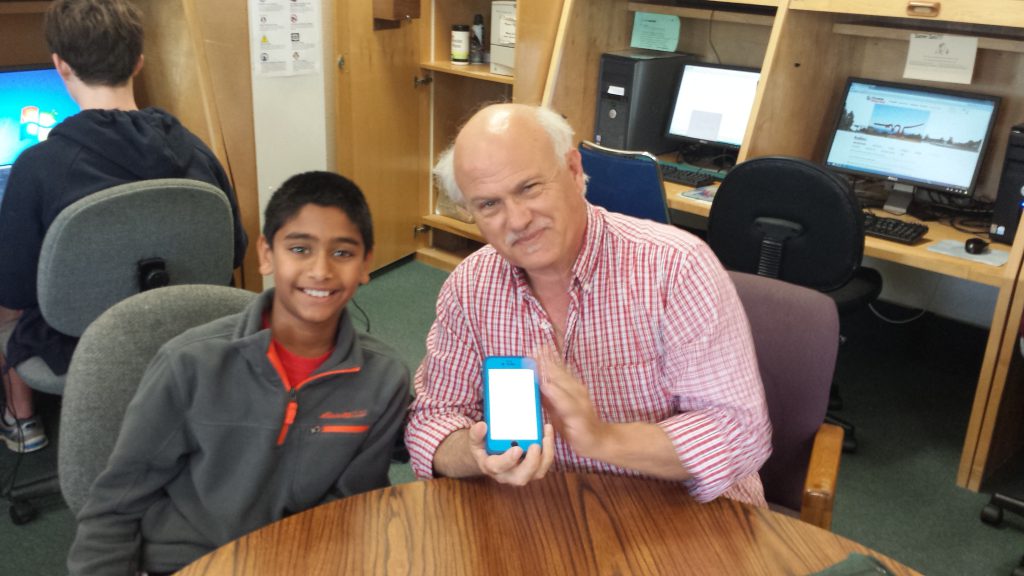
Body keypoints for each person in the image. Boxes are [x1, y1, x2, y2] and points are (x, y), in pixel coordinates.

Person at [404, 103, 772, 506]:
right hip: (539, 516)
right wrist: (474, 454)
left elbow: (738, 434)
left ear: (574, 171)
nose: (518, 219)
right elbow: (431, 420)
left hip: (679, 515)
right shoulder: (470, 285)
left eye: (529, 187)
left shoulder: (675, 268)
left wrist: (604, 440)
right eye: (489, 204)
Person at [66, 171, 410, 575]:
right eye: (299, 249)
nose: (320, 271)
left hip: (301, 559)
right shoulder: (189, 364)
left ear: (366, 263)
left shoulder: (383, 380)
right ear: (266, 254)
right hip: (187, 561)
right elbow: (114, 508)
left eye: (342, 253)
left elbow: (350, 512)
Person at [0, 0, 248, 454]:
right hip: (189, 327)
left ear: (60, 65)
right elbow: (233, 253)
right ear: (138, 60)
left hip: (81, 345)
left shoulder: (37, 168)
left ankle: (22, 422)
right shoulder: (195, 150)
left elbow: (13, 289)